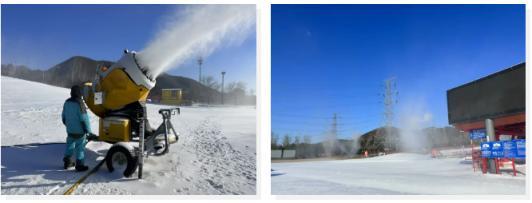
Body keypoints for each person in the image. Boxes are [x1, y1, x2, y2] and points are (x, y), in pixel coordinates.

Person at [62, 85, 91, 171]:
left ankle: (67, 162)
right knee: (80, 147)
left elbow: (63, 117)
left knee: (70, 144)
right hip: (80, 131)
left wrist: (67, 124)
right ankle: (80, 165)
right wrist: (88, 130)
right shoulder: (80, 104)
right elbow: (84, 119)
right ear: (79, 93)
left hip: (70, 129)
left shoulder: (66, 102)